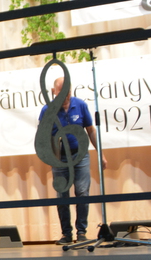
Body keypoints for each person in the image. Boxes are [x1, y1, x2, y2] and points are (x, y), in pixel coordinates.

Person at [38, 77, 107, 244]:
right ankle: (66, 234)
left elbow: (90, 130)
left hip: (80, 155)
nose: (65, 96)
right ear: (54, 92)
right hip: (60, 158)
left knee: (82, 193)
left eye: (67, 92)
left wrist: (101, 154)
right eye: (61, 92)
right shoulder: (47, 110)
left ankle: (81, 232)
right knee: (62, 196)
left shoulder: (80, 105)